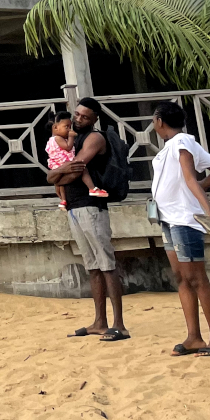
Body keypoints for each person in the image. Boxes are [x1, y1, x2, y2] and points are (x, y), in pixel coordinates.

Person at [149, 101, 210, 356]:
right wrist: (196, 188)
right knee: (182, 278)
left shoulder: (183, 142)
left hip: (184, 219)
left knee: (196, 278)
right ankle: (193, 337)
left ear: (159, 121)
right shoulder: (172, 146)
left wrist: (208, 210)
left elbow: (190, 177)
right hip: (168, 218)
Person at [47, 98, 128, 342]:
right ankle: (99, 322)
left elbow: (75, 167)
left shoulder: (95, 138)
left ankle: (119, 325)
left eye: (85, 116)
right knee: (92, 266)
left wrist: (55, 176)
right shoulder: (69, 141)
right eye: (77, 114)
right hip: (74, 207)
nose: (79, 119)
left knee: (107, 264)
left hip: (92, 207)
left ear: (94, 120)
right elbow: (62, 171)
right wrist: (58, 175)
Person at [47, 113, 107, 208]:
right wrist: (71, 137)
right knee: (82, 168)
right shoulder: (58, 138)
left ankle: (63, 200)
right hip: (63, 161)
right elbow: (68, 147)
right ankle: (92, 188)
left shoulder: (52, 139)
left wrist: (56, 180)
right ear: (55, 128)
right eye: (66, 127)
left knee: (60, 185)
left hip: (57, 164)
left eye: (70, 126)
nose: (69, 130)